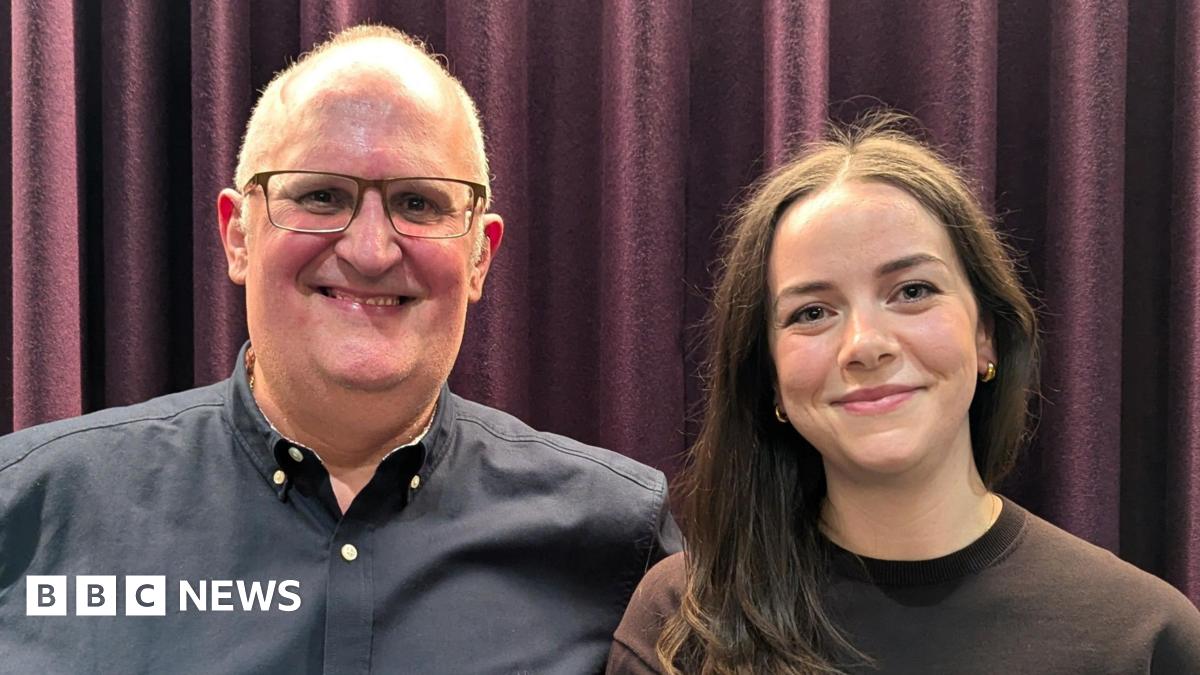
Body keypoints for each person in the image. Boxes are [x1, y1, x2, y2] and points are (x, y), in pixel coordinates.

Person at [0, 24, 679, 673]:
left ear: (479, 256)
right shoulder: (29, 509)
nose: (371, 250)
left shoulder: (622, 543)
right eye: (320, 195)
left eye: (419, 203)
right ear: (237, 235)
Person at [607, 114, 1200, 674]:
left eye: (913, 291)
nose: (866, 344)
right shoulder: (681, 622)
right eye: (812, 312)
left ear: (986, 334)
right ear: (770, 378)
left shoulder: (1145, 638)